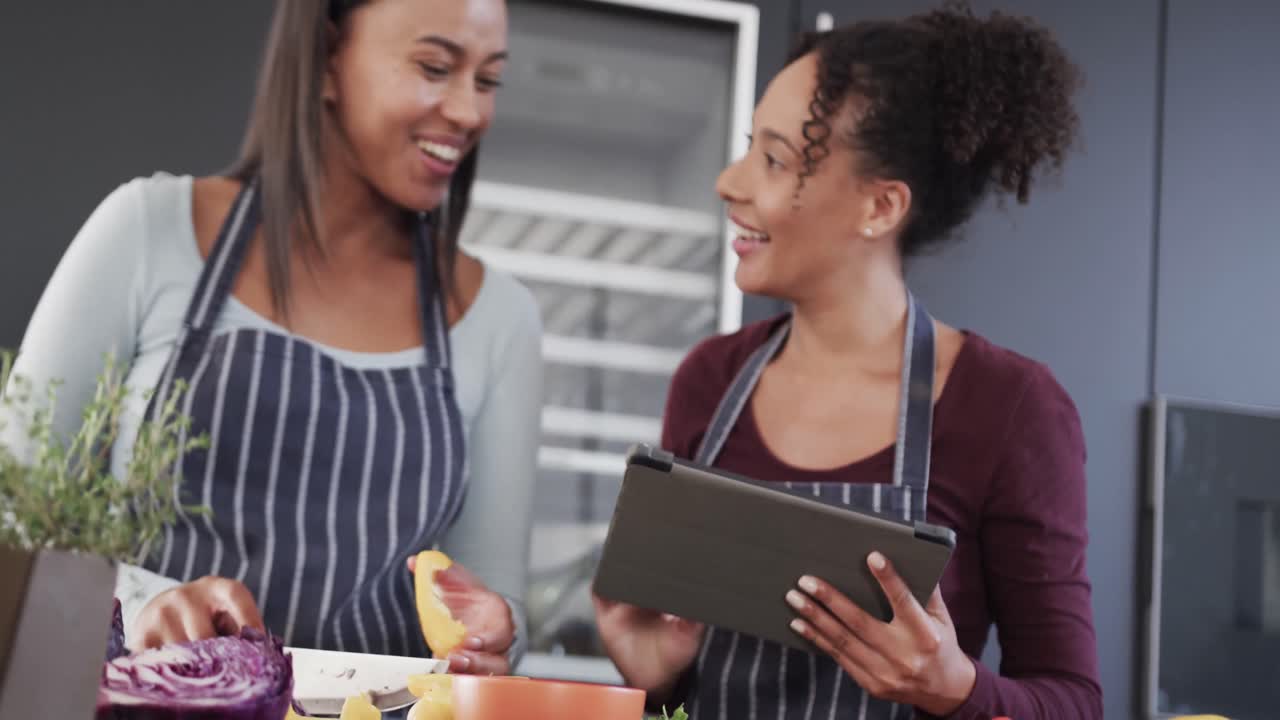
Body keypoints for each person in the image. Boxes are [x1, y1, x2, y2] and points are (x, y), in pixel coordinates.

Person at [594, 3, 1101, 719]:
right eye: (748, 148)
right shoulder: (709, 381)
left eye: (772, 159)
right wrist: (657, 680)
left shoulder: (1009, 406)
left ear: (880, 206)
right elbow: (675, 685)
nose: (729, 183)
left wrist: (958, 690)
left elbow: (1075, 701)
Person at [4, 0, 540, 675]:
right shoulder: (147, 231)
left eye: (488, 81)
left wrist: (490, 638)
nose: (469, 112)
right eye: (436, 67)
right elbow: (11, 520)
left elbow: (495, 615)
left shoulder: (500, 318)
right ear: (323, 61)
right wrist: (143, 604)